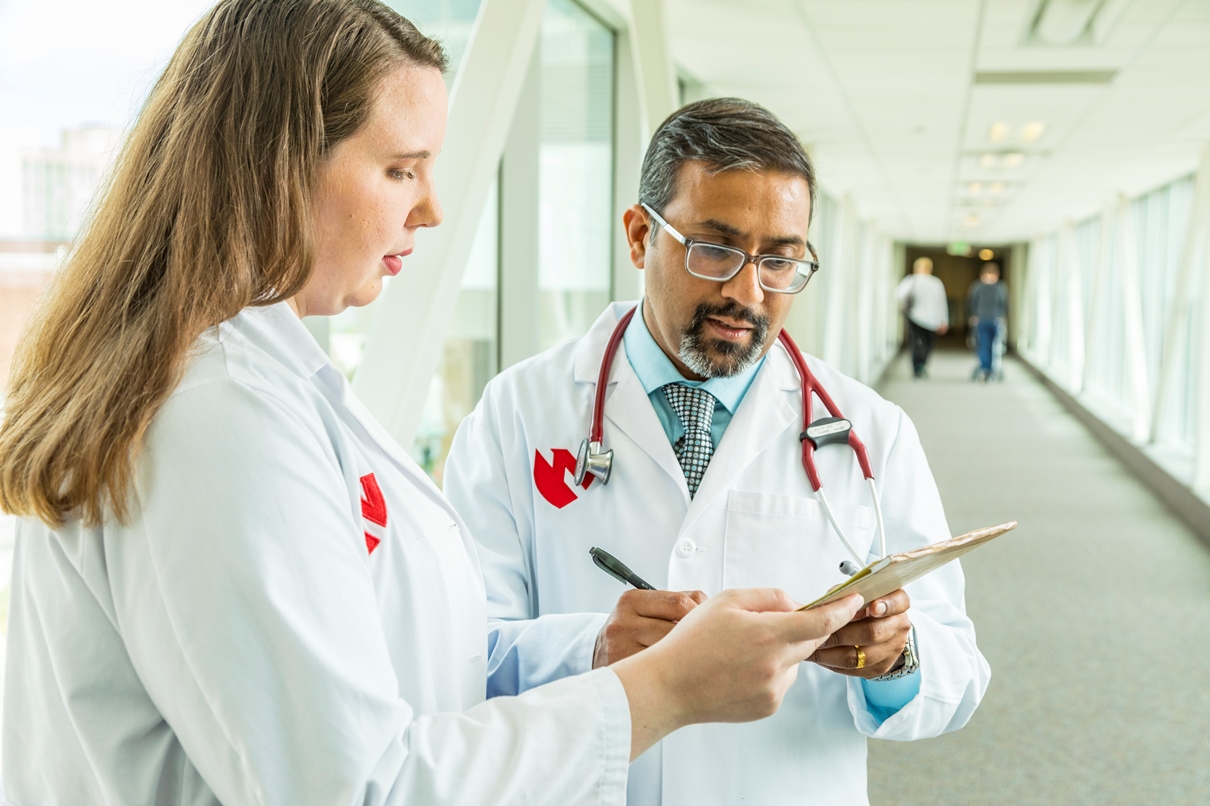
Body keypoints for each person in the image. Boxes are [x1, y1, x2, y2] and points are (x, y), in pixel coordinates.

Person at [0, 5, 865, 804]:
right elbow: (359, 787)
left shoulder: (263, 380)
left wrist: (597, 651)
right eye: (399, 168)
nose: (431, 207)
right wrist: (665, 692)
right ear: (275, 164)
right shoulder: (214, 416)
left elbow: (405, 663)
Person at [444, 98, 991, 805]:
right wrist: (592, 647)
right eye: (715, 249)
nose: (746, 291)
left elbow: (958, 669)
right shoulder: (517, 413)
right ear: (641, 236)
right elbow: (454, 651)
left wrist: (897, 658)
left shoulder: (869, 431)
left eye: (779, 260)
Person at [895, 256, 949, 378]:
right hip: (925, 319)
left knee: (920, 344)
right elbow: (942, 303)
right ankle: (920, 366)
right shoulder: (931, 282)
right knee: (925, 344)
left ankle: (918, 366)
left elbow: (899, 295)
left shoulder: (917, 281)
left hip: (921, 318)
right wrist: (944, 320)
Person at [967, 262, 1008, 382]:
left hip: (994, 321)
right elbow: (971, 303)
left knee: (994, 346)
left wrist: (1002, 316)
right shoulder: (979, 287)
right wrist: (973, 316)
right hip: (983, 320)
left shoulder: (1000, 287)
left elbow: (1004, 304)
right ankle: (986, 369)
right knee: (984, 345)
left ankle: (989, 368)